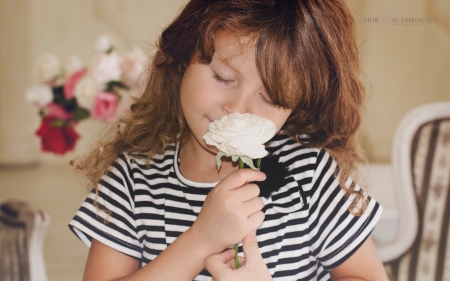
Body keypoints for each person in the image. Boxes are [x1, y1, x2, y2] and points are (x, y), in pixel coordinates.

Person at [69, 0, 388, 280]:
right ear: (182, 61)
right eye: (223, 77)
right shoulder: (132, 178)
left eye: (270, 98)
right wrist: (201, 239)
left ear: (295, 106)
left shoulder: (312, 175)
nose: (236, 108)